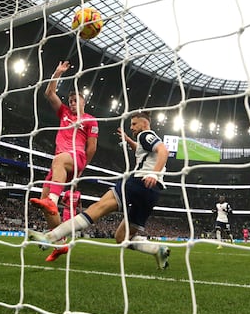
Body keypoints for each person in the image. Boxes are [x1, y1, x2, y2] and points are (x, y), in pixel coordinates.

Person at [28, 111, 171, 270]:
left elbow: (163, 151)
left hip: (139, 182)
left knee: (96, 209)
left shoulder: (146, 134)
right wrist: (128, 139)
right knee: (122, 237)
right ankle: (157, 249)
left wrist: (153, 173)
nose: (131, 127)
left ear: (144, 123)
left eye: (134, 124)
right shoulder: (143, 141)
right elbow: (142, 150)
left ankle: (50, 237)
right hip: (152, 193)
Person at [30, 61, 98, 231]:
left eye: (76, 100)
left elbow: (92, 147)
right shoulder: (64, 113)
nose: (72, 103)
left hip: (76, 158)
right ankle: (58, 239)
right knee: (43, 202)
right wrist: (57, 72)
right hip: (60, 162)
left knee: (58, 161)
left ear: (84, 102)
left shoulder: (90, 120)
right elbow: (49, 93)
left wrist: (82, 168)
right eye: (70, 101)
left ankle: (53, 201)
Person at [45, 187, 83, 262]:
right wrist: (67, 205)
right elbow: (61, 202)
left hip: (74, 211)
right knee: (65, 224)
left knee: (72, 225)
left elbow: (79, 202)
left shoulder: (78, 193)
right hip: (67, 210)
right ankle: (61, 238)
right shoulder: (67, 193)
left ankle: (61, 238)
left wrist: (80, 208)